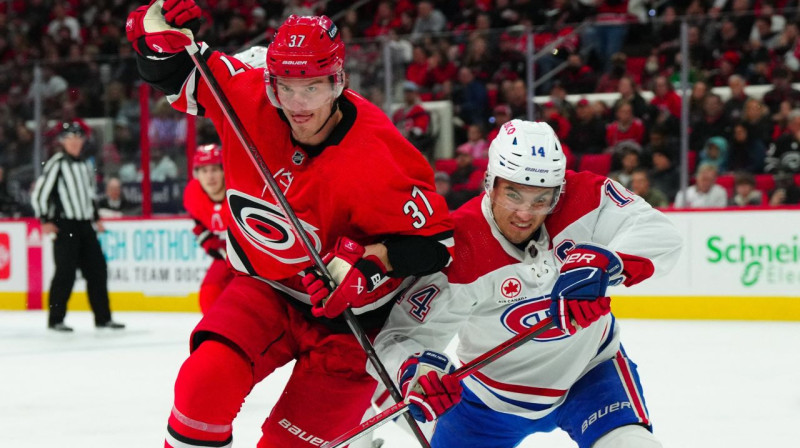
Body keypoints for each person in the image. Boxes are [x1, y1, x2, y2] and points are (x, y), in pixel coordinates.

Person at [126, 2, 454, 447]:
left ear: (338, 81)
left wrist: (370, 265)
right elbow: (174, 70)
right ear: (269, 81)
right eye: (284, 87)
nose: (298, 105)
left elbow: (436, 244)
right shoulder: (245, 97)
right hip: (265, 290)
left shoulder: (380, 153)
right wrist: (158, 34)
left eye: (314, 88)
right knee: (202, 385)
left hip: (352, 325)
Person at [371, 120, 682, 447]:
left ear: (558, 190)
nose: (525, 214)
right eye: (513, 195)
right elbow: (399, 335)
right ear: (489, 184)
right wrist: (417, 372)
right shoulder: (459, 246)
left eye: (541, 200)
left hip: (589, 373)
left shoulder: (585, 196)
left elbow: (661, 235)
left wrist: (604, 261)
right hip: (488, 397)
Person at [30, 121, 125, 333]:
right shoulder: (57, 163)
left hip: (85, 225)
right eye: (70, 139)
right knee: (65, 273)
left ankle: (103, 318)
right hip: (65, 225)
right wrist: (45, 219)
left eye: (78, 139)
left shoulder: (84, 164)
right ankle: (56, 319)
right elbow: (40, 194)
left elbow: (89, 195)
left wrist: (95, 217)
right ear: (62, 142)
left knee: (97, 270)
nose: (74, 143)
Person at [183, 143, 234, 314]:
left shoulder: (240, 191)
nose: (210, 176)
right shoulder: (193, 194)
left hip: (257, 259)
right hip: (226, 258)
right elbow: (199, 225)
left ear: (224, 170)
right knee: (209, 292)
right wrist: (213, 246)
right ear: (196, 174)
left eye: (214, 169)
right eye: (204, 171)